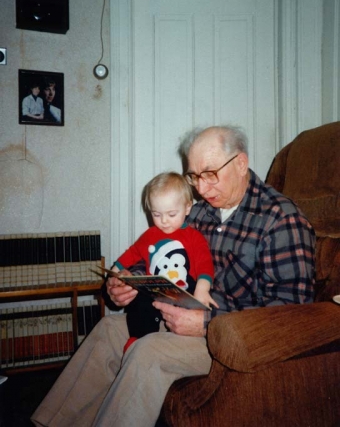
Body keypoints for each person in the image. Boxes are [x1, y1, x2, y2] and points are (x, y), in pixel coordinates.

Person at [31, 125, 315, 427]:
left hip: (233, 339)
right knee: (109, 330)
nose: (201, 189)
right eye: (193, 176)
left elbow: (291, 315)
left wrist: (207, 324)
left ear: (241, 164)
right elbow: (162, 256)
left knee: (149, 351)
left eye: (210, 174)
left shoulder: (281, 219)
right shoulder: (201, 212)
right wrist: (128, 282)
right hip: (176, 314)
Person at [113, 171, 217, 352]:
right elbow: (133, 253)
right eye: (157, 214)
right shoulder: (150, 235)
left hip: (185, 288)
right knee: (139, 304)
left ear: (187, 208)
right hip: (156, 287)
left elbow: (205, 264)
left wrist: (203, 288)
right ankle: (137, 339)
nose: (164, 221)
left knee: (187, 308)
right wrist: (116, 269)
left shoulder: (194, 237)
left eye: (171, 214)